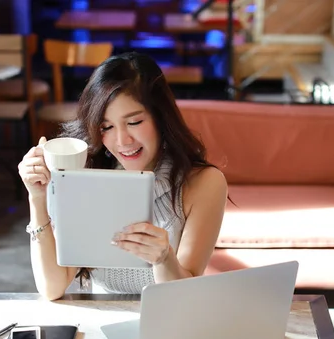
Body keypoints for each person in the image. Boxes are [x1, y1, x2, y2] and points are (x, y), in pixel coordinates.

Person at [18, 52, 228, 300]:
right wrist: (37, 198)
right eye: (106, 127)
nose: (121, 141)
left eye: (134, 122)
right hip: (100, 324)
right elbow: (52, 289)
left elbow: (183, 300)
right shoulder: (85, 173)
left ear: (161, 116)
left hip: (165, 324)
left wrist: (163, 259)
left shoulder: (203, 183)